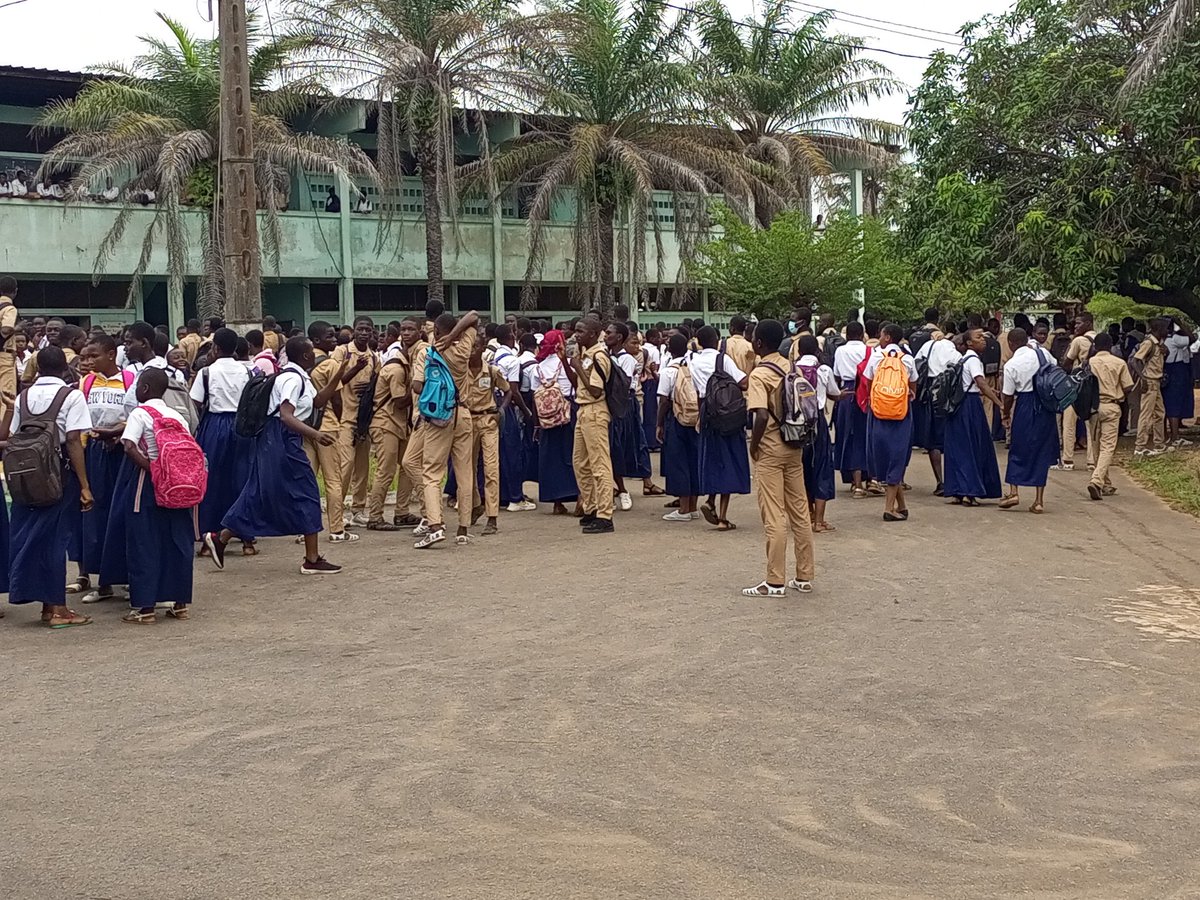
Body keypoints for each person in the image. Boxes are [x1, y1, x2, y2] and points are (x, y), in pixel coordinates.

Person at [205, 336, 344, 574]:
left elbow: (319, 401)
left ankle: (220, 537)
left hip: (276, 438)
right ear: (305, 356)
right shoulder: (291, 378)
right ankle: (311, 559)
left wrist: (342, 371)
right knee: (307, 492)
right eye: (311, 352)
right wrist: (317, 435)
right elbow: (287, 415)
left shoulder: (299, 376)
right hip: (280, 438)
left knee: (260, 493)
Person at [3, 347, 94, 628]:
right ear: (65, 368)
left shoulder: (24, 396)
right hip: (58, 475)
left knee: (33, 537)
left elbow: (14, 435)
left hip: (26, 477)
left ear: (38, 368)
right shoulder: (72, 395)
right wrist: (84, 485)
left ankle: (46, 604)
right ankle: (58, 610)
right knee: (56, 540)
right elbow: (73, 442)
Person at [743, 319, 814, 597]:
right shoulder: (790, 366)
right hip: (794, 443)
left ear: (759, 343)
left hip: (771, 447)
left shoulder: (760, 374)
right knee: (799, 511)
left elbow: (760, 414)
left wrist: (754, 446)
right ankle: (804, 575)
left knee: (774, 514)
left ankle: (774, 581)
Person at [119, 368, 196, 623]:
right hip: (179, 484)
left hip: (148, 482)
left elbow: (129, 445)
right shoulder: (177, 415)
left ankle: (145, 608)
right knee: (177, 541)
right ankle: (180, 603)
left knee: (144, 541)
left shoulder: (139, 413)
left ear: (144, 389)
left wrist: (153, 469)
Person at [412, 311, 480, 548]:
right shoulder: (463, 348)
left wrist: (444, 337)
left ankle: (435, 526)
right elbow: (473, 317)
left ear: (436, 331)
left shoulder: (430, 349)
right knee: (464, 472)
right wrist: (454, 335)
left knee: (431, 472)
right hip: (463, 413)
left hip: (439, 416)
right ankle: (463, 528)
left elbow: (417, 386)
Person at [75, 334, 133, 604]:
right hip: (96, 453)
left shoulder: (130, 380)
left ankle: (130, 577)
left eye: (93, 356)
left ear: (111, 354)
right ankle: (103, 581)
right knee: (97, 515)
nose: (88, 361)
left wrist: (118, 434)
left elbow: (136, 415)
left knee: (121, 512)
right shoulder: (86, 382)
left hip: (123, 452)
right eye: (85, 357)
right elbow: (82, 420)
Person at [189, 327, 257, 552]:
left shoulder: (206, 373)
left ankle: (209, 538)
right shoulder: (248, 372)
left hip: (215, 426)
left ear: (215, 348)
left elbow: (196, 403)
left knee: (212, 482)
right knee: (242, 479)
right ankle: (247, 539)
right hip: (241, 427)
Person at [692, 325, 750, 531]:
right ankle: (723, 517)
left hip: (707, 413)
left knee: (713, 459)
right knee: (729, 460)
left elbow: (697, 390)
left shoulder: (694, 361)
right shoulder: (722, 359)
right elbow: (743, 382)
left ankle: (710, 499)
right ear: (717, 340)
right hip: (727, 414)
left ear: (698, 341)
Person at [304, 321, 356, 541]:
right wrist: (341, 418)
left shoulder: (303, 363)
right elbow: (336, 397)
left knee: (308, 479)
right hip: (328, 427)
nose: (335, 340)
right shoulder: (330, 365)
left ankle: (305, 529)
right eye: (329, 337)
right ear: (317, 340)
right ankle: (336, 529)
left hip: (307, 426)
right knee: (333, 480)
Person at [863, 324, 918, 520]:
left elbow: (868, 381)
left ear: (887, 337)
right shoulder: (908, 359)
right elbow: (913, 385)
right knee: (898, 455)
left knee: (884, 455)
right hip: (901, 412)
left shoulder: (876, 357)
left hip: (879, 411)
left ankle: (898, 506)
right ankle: (890, 508)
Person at [942, 328, 1003, 505]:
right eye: (978, 337)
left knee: (959, 448)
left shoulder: (962, 359)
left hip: (958, 407)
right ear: (969, 343)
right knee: (973, 447)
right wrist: (999, 404)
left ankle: (958, 490)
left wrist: (988, 390)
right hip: (970, 406)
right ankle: (971, 491)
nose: (983, 340)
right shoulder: (974, 360)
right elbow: (981, 384)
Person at [1000, 328, 1058, 513]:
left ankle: (1014, 491)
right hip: (1045, 406)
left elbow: (1008, 395)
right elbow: (1055, 368)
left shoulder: (1012, 364)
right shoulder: (1043, 354)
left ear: (1010, 344)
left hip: (1025, 404)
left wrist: (1006, 414)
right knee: (1041, 449)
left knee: (1019, 447)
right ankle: (1039, 501)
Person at [364, 323, 414, 531]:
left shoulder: (403, 366)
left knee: (409, 466)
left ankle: (402, 512)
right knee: (386, 470)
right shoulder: (395, 369)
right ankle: (375, 516)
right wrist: (420, 387)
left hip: (399, 423)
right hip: (386, 423)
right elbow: (399, 400)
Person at [331, 316, 380, 527]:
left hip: (364, 419)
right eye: (360, 329)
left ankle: (358, 509)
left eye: (368, 330)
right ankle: (337, 510)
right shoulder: (342, 352)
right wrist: (355, 370)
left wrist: (370, 387)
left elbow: (378, 384)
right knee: (346, 463)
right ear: (353, 331)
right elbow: (333, 382)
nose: (364, 333)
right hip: (344, 417)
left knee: (362, 466)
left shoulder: (375, 357)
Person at [570, 317, 615, 534]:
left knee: (599, 463)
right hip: (583, 410)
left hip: (595, 410)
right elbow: (578, 383)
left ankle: (605, 514)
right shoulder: (584, 354)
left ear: (593, 333)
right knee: (580, 462)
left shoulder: (598, 356)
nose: (576, 335)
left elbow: (596, 390)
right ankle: (591, 506)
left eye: (580, 331)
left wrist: (578, 367)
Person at [792, 334, 841, 532]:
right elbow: (835, 393)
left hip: (796, 423)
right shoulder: (823, 370)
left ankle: (807, 514)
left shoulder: (792, 370)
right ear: (816, 350)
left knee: (800, 468)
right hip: (817, 422)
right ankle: (819, 521)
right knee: (822, 467)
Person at [531, 329, 579, 516]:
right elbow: (576, 386)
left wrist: (537, 424)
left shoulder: (539, 367)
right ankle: (577, 497)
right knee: (572, 455)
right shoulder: (568, 364)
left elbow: (535, 398)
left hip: (546, 418)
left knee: (551, 458)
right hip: (567, 413)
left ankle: (557, 502)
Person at [656, 332, 700, 522]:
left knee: (679, 462)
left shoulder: (668, 371)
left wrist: (659, 424)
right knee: (694, 460)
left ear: (669, 349)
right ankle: (693, 506)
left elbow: (664, 400)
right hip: (696, 418)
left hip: (677, 418)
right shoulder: (694, 365)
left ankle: (683, 510)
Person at [491, 324, 536, 512]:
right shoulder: (512, 360)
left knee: (497, 453)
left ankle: (501, 495)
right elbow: (514, 391)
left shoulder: (490, 355)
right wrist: (527, 412)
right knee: (512, 452)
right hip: (505, 405)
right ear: (511, 337)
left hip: (490, 403)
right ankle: (515, 498)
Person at [1086, 332, 1134, 500]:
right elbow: (1128, 387)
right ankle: (1097, 480)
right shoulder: (1119, 363)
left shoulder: (1089, 363)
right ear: (1110, 345)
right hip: (1112, 406)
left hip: (1093, 408)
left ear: (1095, 346)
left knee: (1096, 445)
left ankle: (1105, 483)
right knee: (1107, 447)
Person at [913, 322, 959, 495]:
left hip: (930, 392)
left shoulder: (927, 346)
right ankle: (953, 479)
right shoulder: (950, 346)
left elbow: (918, 365)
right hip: (947, 391)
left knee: (933, 441)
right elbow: (957, 365)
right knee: (951, 436)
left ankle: (940, 481)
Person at [832, 321, 869, 497]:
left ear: (847, 335)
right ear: (863, 335)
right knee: (865, 435)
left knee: (848, 436)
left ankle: (856, 482)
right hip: (866, 396)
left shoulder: (841, 351)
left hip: (846, 393)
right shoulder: (870, 350)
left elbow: (837, 374)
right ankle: (870, 478)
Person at [1058, 313, 1097, 470]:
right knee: (1090, 423)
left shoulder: (1078, 340)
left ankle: (1067, 459)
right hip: (1093, 385)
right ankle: (1092, 460)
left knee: (1069, 420)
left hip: (1076, 384)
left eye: (1078, 323)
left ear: (1088, 324)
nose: (1075, 326)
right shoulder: (1101, 338)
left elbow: (1066, 363)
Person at [1132, 317, 1169, 457]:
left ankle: (1159, 443)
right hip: (1150, 381)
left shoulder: (1159, 343)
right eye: (1165, 328)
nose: (1167, 331)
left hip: (1156, 382)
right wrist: (1143, 378)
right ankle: (1140, 446)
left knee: (1160, 413)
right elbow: (1135, 361)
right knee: (1146, 414)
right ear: (1158, 329)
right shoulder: (1148, 343)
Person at [1163, 319, 1195, 447]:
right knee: (1174, 404)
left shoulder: (1164, 340)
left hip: (1170, 372)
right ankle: (1175, 436)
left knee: (1168, 404)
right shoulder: (1175, 339)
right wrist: (1181, 325)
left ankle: (1166, 435)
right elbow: (1192, 338)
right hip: (1177, 374)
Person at [0, 275, 19, 415]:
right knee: (5, 394)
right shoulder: (9, 309)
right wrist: (18, 328)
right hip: (4, 357)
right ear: (15, 291)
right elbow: (6, 329)